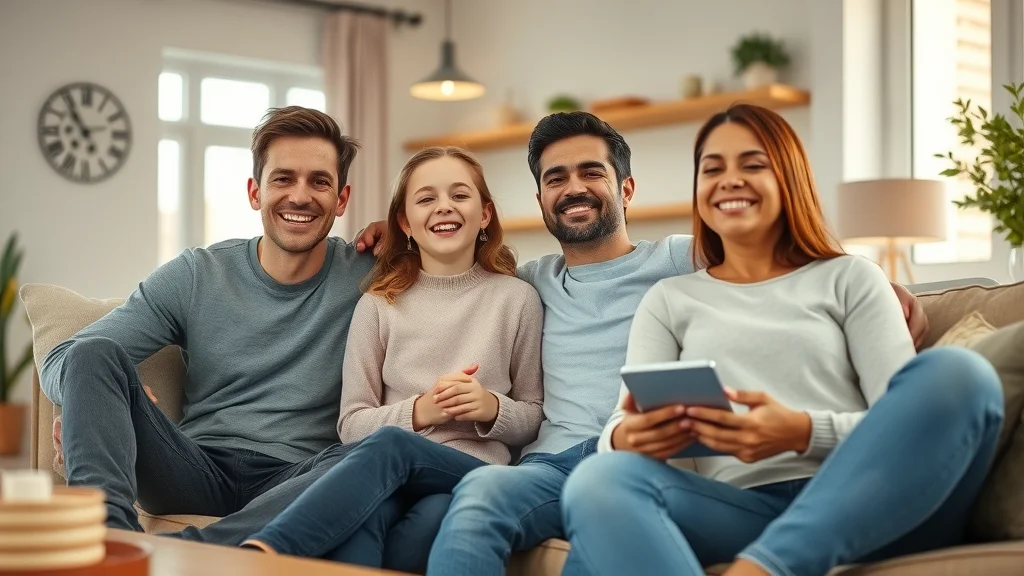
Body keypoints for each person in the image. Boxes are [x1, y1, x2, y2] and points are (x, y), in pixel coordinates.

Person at [351, 111, 932, 575]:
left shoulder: (679, 259)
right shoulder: (528, 282)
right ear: (541, 202)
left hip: (645, 457)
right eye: (556, 179)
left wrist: (877, 281)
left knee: (597, 513)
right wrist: (389, 233)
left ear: (626, 188)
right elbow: (453, 271)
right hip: (551, 461)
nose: (573, 188)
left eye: (591, 173)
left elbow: (773, 251)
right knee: (478, 500)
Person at [557, 104, 1004, 576]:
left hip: (875, 505)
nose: (730, 180)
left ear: (790, 177)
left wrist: (800, 431)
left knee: (960, 373)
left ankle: (763, 568)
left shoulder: (851, 278)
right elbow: (620, 426)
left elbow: (902, 424)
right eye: (713, 169)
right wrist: (629, 436)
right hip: (744, 510)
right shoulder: (669, 300)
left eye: (752, 165)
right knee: (600, 478)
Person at [39, 106, 374, 533]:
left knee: (373, 454)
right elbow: (64, 359)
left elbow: (456, 264)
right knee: (93, 352)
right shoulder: (198, 274)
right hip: (191, 470)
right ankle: (108, 536)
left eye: (320, 181)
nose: (300, 196)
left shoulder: (372, 274)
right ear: (255, 192)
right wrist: (100, 403)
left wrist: (406, 233)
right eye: (283, 179)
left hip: (297, 478)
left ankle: (205, 547)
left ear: (341, 199)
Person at [236, 146, 545, 570]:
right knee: (366, 524)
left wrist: (491, 408)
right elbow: (351, 425)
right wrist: (421, 412)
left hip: (472, 473)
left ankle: (266, 551)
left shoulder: (517, 299)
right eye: (426, 198)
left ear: (485, 214)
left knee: (395, 451)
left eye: (459, 195)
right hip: (389, 479)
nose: (444, 207)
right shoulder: (379, 305)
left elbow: (533, 415)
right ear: (405, 223)